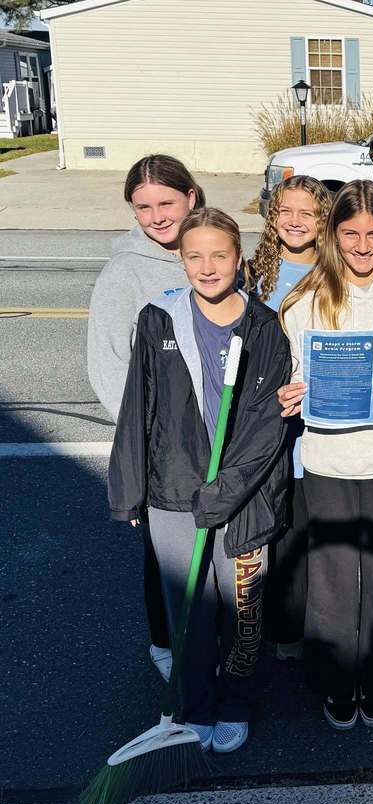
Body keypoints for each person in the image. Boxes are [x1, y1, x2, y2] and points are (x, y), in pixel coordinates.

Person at [108, 207, 291, 755]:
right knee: (188, 607)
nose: (207, 267)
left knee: (243, 609)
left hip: (244, 495)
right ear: (180, 260)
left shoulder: (265, 327)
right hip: (174, 493)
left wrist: (224, 492)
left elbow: (266, 426)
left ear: (240, 259)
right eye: (194, 256)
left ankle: (235, 701)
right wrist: (130, 488)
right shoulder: (159, 319)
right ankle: (196, 703)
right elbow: (139, 407)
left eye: (219, 255)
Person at [277, 180, 373, 730]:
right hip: (328, 462)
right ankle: (336, 682)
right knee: (334, 582)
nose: (363, 245)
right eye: (350, 234)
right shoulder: (304, 303)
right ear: (332, 234)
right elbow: (292, 373)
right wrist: (290, 393)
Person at [87, 154, 204, 683]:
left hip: (212, 439)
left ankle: (213, 636)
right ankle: (165, 641)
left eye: (166, 203)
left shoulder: (209, 250)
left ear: (191, 198)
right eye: (143, 207)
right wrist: (143, 438)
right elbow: (107, 363)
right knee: (163, 552)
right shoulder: (125, 271)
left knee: (213, 548)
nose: (156, 216)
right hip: (159, 446)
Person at [249, 175, 333, 662]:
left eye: (308, 212)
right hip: (264, 425)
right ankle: (268, 625)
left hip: (312, 428)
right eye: (286, 211)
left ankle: (300, 628)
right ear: (272, 216)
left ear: (322, 219)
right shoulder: (256, 271)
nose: (296, 221)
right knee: (269, 533)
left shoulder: (331, 272)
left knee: (303, 534)